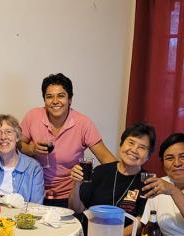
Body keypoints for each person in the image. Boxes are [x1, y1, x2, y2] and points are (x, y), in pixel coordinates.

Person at [19, 73, 116, 207]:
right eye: (49, 96)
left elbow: (108, 160)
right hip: (33, 192)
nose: (55, 101)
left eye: (61, 95)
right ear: (44, 100)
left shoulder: (83, 123)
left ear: (70, 99)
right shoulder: (33, 116)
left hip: (69, 197)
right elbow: (17, 145)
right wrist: (31, 149)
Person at [69, 123, 156, 236]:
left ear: (148, 156)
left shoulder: (147, 181)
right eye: (131, 143)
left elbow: (141, 221)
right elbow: (76, 208)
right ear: (121, 145)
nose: (134, 150)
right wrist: (76, 184)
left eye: (142, 147)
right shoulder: (100, 171)